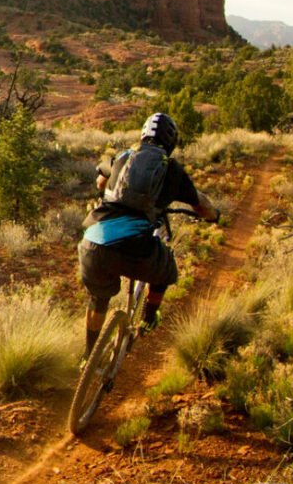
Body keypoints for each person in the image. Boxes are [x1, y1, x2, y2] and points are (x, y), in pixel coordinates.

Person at [77, 112, 220, 355]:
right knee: (165, 270)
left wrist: (110, 190)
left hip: (93, 240)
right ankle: (148, 319)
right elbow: (201, 204)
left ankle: (87, 356)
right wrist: (214, 216)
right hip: (134, 249)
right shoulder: (172, 170)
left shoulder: (124, 156)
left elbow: (101, 181)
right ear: (171, 142)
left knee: (98, 298)